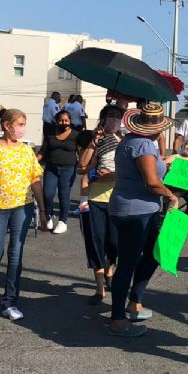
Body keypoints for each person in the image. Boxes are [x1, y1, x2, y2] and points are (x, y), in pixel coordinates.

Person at [0, 108, 48, 321]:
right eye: (20, 124)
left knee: (16, 254)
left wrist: (42, 210)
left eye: (24, 125)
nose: (23, 129)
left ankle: (9, 302)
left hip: (22, 207)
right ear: (7, 126)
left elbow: (35, 181)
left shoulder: (27, 151)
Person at [107, 102, 177, 337]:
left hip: (133, 208)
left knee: (152, 254)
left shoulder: (130, 141)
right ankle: (118, 318)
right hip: (135, 212)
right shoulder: (144, 145)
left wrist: (163, 164)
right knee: (127, 263)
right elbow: (151, 181)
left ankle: (134, 302)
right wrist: (170, 195)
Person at [78, 104, 124, 305]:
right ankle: (99, 290)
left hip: (118, 200)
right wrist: (93, 144)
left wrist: (112, 175)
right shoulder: (96, 140)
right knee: (96, 243)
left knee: (114, 243)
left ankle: (109, 268)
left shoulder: (124, 141)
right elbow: (82, 166)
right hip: (96, 200)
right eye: (110, 116)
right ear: (103, 119)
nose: (113, 120)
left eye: (117, 116)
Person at [37, 109, 79, 234]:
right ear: (56, 121)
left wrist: (84, 165)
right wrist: (32, 162)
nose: (63, 122)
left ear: (70, 121)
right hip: (51, 168)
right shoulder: (50, 135)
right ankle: (49, 217)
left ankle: (63, 221)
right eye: (61, 120)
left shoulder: (76, 135)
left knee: (64, 195)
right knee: (47, 194)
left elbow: (81, 152)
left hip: (68, 170)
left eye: (66, 120)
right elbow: (42, 152)